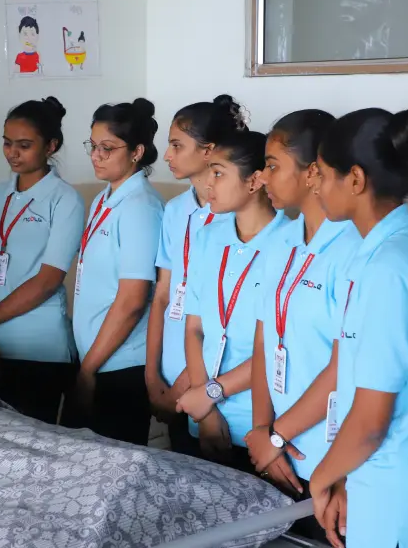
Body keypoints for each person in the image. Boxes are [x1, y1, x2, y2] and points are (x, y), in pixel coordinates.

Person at [307, 106, 408, 548]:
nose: (315, 185)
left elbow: (371, 421)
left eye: (323, 174)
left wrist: (321, 478)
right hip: (385, 480)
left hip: (400, 497)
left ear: (355, 180)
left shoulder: (393, 267)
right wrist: (344, 475)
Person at [242, 110, 362, 543]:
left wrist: (277, 435)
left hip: (333, 460)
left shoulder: (353, 247)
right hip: (278, 451)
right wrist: (262, 430)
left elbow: (345, 365)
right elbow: (264, 337)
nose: (263, 177)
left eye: (273, 166)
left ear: (313, 172)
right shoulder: (281, 240)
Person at [0, 97, 85, 423]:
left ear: (51, 146)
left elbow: (47, 281)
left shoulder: (65, 199)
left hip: (38, 348)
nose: (13, 153)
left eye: (24, 145)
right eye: (7, 143)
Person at [175, 128, 287, 469]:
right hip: (202, 414)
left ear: (254, 182)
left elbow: (275, 347)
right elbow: (194, 328)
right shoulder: (208, 236)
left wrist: (212, 393)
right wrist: (205, 409)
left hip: (260, 428)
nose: (208, 182)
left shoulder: (290, 243)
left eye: (219, 173)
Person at [146, 94, 242, 455]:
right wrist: (152, 377)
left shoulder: (234, 215)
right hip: (169, 380)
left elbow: (223, 318)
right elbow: (163, 294)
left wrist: (184, 385)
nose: (167, 156)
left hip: (208, 384)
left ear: (208, 151)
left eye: (176, 145)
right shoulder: (175, 210)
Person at [67, 98, 164, 445]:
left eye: (107, 148)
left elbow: (132, 301)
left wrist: (89, 368)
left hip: (120, 364)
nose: (96, 156)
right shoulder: (103, 199)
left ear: (137, 152)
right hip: (95, 359)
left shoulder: (140, 207)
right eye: (92, 146)